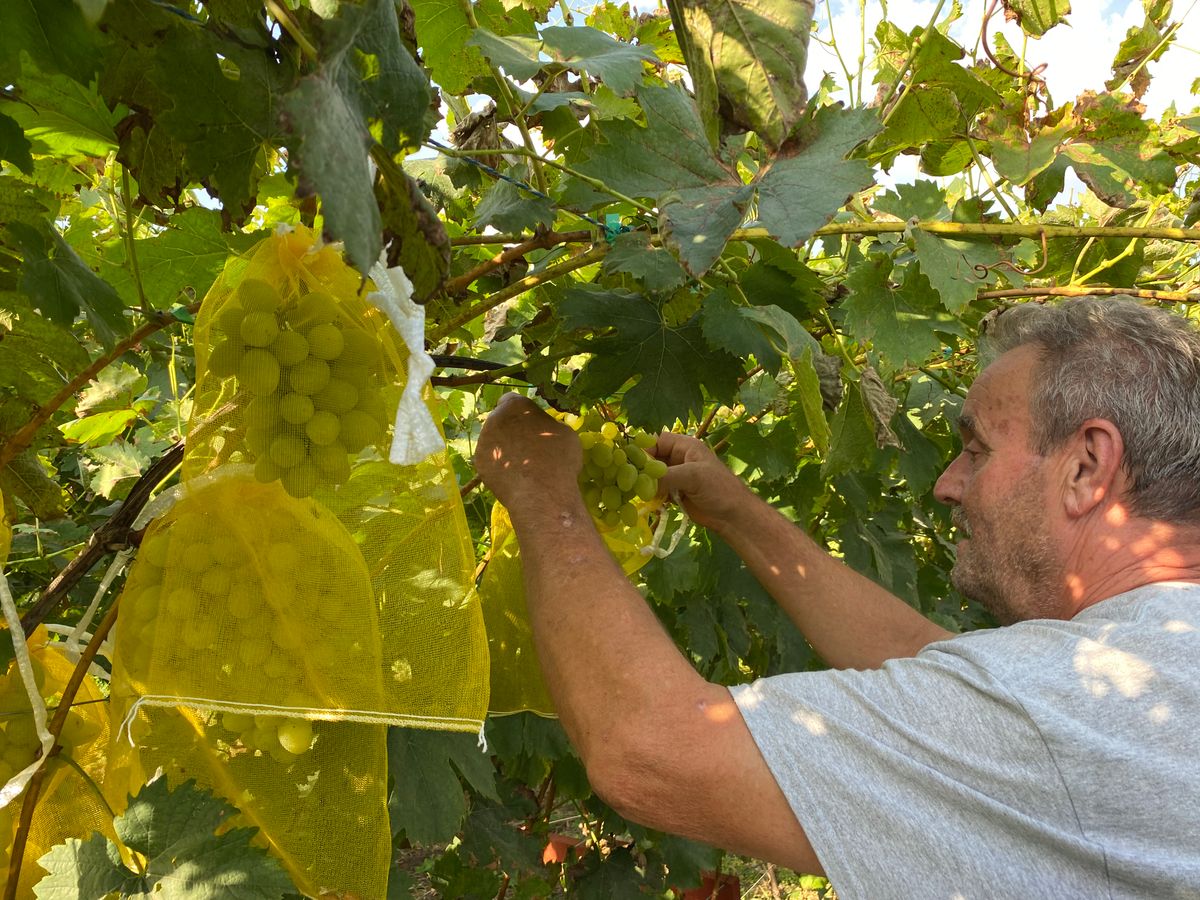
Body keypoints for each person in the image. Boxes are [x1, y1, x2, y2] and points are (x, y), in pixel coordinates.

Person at [473, 296, 1200, 899]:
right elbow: (938, 665)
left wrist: (543, 495)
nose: (948, 482)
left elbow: (656, 751)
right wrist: (738, 514)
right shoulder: (1148, 669)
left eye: (976, 448)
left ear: (1086, 466)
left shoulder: (1068, 713)